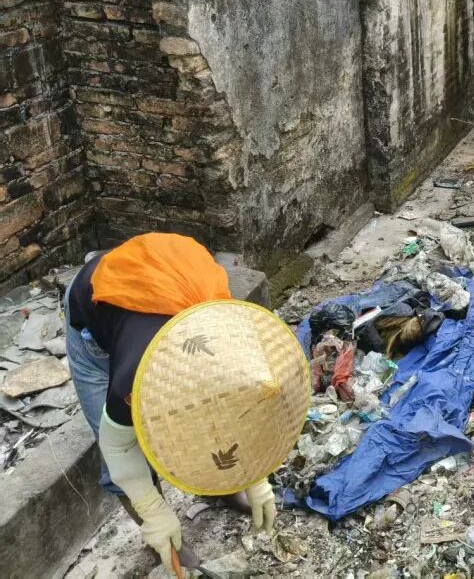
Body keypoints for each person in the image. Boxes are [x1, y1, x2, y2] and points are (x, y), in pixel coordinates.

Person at [64, 233, 309, 569]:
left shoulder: (242, 340)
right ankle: (161, 536)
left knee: (217, 415)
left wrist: (254, 475)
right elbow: (118, 446)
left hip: (168, 276)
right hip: (94, 315)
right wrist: (153, 512)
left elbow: (241, 412)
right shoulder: (135, 376)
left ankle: (222, 485)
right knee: (130, 447)